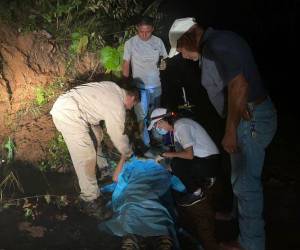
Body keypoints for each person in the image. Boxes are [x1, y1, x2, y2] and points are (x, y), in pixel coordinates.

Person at [168, 18, 278, 250]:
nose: (183, 56)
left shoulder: (216, 46)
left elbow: (240, 85)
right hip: (247, 117)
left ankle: (250, 244)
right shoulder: (220, 40)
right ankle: (236, 217)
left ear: (188, 37)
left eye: (181, 50)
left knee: (247, 184)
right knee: (239, 177)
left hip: (250, 119)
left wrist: (230, 131)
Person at [50, 80, 140, 218]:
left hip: (72, 108)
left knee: (97, 134)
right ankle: (90, 200)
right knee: (86, 156)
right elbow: (116, 133)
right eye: (132, 106)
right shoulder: (117, 104)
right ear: (132, 98)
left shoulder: (113, 88)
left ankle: (103, 169)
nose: (129, 109)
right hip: (69, 113)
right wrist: (127, 152)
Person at [148, 108, 221, 250]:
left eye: (158, 125)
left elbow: (188, 155)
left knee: (176, 162)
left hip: (209, 163)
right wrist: (162, 164)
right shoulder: (176, 130)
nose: (158, 129)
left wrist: (166, 154)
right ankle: (197, 188)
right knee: (175, 164)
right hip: (203, 161)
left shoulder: (181, 126)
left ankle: (197, 192)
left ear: (163, 120)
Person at [99, 142, 186, 250]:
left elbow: (115, 178)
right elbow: (177, 181)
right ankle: (160, 238)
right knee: (150, 209)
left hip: (135, 193)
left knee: (132, 210)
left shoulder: (132, 162)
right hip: (149, 191)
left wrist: (123, 158)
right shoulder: (160, 157)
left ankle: (133, 239)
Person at [122, 16, 168, 146]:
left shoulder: (158, 42)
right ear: (137, 29)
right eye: (141, 31)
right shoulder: (130, 43)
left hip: (156, 85)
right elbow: (126, 63)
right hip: (139, 87)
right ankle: (145, 144)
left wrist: (164, 65)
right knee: (141, 116)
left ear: (152, 29)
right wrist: (126, 86)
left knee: (157, 115)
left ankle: (158, 140)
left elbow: (164, 59)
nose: (144, 34)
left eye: (147, 31)